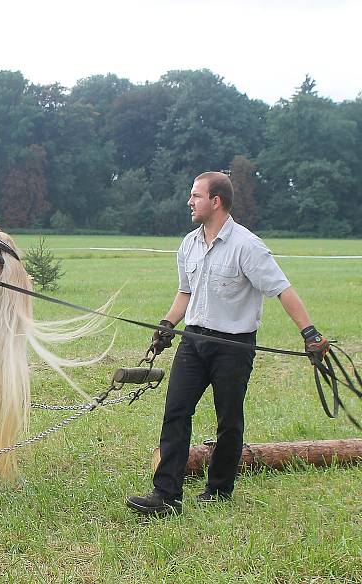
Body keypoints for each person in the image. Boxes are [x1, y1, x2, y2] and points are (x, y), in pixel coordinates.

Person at [126, 171, 330, 517]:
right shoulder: (189, 243)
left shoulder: (247, 246)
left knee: (229, 420)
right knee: (176, 411)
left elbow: (282, 289)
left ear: (215, 201)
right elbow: (185, 292)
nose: (190, 202)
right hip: (193, 340)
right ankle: (167, 495)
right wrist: (166, 325)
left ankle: (219, 489)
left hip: (233, 345)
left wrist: (309, 333)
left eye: (196, 196)